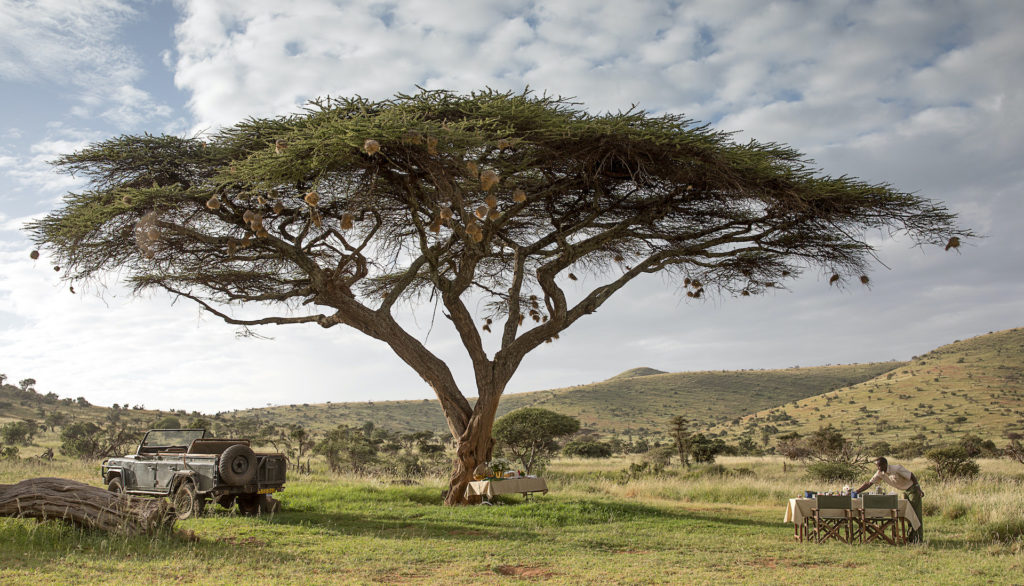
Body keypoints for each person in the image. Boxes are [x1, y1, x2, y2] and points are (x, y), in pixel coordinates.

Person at [856, 457, 924, 543]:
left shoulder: (896, 468)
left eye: (880, 466)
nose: (878, 468)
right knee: (908, 515)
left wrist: (918, 488)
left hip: (912, 489)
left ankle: (919, 539)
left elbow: (911, 476)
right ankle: (912, 537)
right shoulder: (880, 473)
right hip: (904, 491)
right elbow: (869, 483)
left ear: (885, 464)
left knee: (916, 514)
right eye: (877, 466)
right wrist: (856, 492)